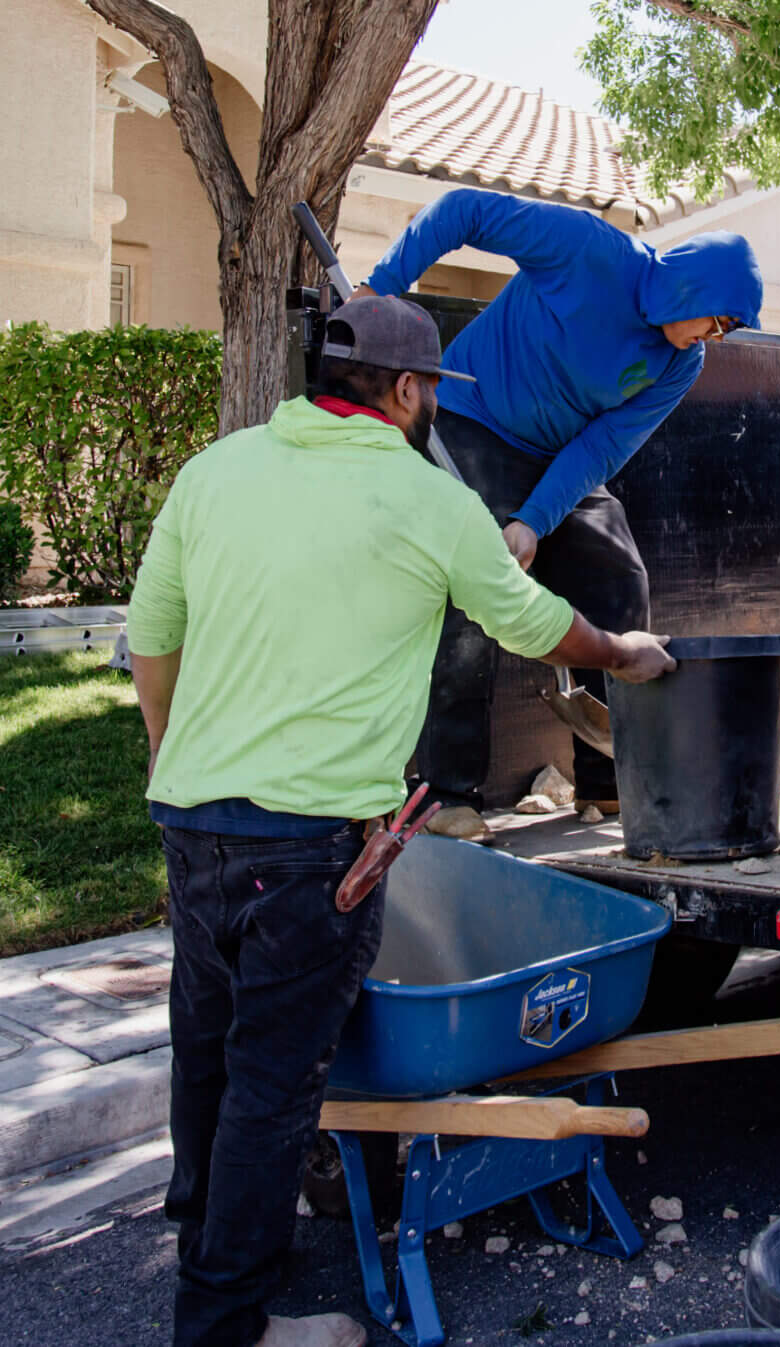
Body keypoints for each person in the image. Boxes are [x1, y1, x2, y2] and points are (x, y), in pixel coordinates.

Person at [126, 296, 675, 1347]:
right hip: (308, 848)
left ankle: (201, 1238)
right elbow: (527, 621)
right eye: (429, 393)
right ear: (412, 391)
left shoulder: (215, 471)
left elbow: (155, 636)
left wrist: (168, 750)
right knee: (271, 1089)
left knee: (205, 1049)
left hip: (193, 822)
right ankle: (225, 1325)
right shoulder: (429, 499)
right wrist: (621, 651)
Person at [356, 189, 764, 836]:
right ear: (687, 290)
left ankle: (607, 778)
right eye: (716, 321)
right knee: (469, 588)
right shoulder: (587, 248)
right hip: (471, 420)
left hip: (555, 459)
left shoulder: (681, 363)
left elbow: (602, 445)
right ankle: (443, 794)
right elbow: (464, 210)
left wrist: (535, 519)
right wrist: (380, 289)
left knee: (620, 577)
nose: (713, 337)